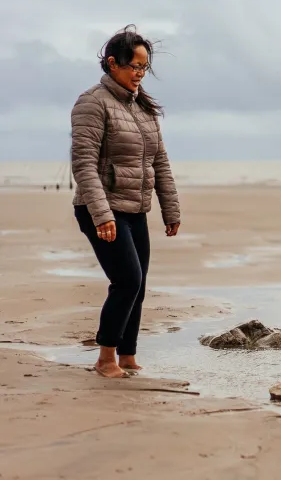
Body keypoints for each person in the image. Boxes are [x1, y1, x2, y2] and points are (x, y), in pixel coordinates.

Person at [71, 25, 181, 378]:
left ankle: (128, 356)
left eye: (144, 68)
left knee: (140, 283)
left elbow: (159, 162)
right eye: (134, 67)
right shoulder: (92, 102)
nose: (139, 74)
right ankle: (105, 358)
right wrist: (101, 214)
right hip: (101, 209)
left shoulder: (143, 107)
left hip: (135, 208)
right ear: (111, 64)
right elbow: (84, 163)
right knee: (127, 281)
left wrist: (170, 208)